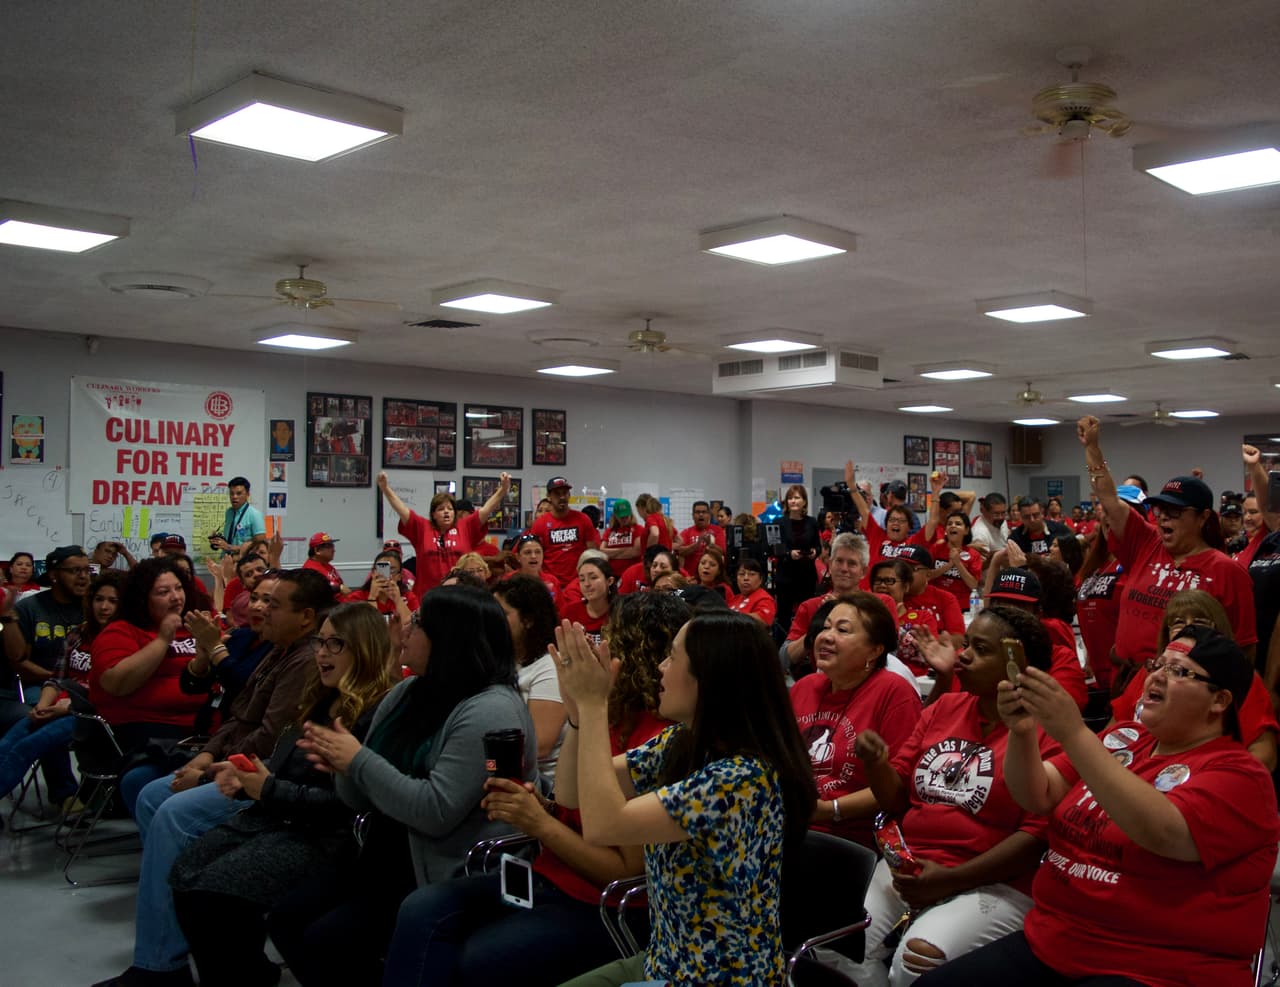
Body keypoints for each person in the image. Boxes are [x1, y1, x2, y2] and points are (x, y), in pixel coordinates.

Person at [920, 626, 1280, 987]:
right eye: (1157, 664)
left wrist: (1074, 733)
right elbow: (1035, 794)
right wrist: (1022, 731)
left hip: (1157, 968)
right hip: (1054, 942)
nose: (1156, 676)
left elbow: (1165, 833)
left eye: (1179, 670)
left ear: (1220, 701)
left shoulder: (1241, 775)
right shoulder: (1124, 738)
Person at [380, 592, 688, 987]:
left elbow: (622, 869)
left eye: (608, 640)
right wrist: (540, 799)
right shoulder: (607, 717)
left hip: (601, 901)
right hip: (548, 878)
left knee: (475, 960)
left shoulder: (657, 737)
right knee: (423, 909)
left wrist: (539, 823)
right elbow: (568, 802)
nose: (597, 652)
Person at [268, 585, 538, 986]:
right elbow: (356, 796)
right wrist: (345, 767)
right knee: (287, 918)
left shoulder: (491, 709)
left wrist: (357, 760)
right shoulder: (409, 692)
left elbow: (434, 812)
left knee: (328, 939)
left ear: (449, 638)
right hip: (385, 853)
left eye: (418, 622)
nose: (404, 628)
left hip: (448, 866)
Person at [553, 610, 817, 986]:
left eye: (673, 657)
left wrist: (596, 706)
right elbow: (570, 793)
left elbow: (602, 825)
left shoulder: (743, 779)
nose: (661, 667)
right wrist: (579, 716)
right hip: (665, 964)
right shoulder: (683, 741)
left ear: (710, 679)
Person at [95, 570, 333, 987]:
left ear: (306, 617)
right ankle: (174, 937)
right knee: (152, 794)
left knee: (171, 814)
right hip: (224, 753)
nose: (261, 609)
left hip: (261, 774)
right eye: (259, 599)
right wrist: (204, 756)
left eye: (273, 604)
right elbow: (236, 713)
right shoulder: (272, 648)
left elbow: (270, 737)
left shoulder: (305, 658)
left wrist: (205, 767)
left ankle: (160, 967)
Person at [168, 604, 395, 987]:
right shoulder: (322, 699)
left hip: (324, 837)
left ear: (364, 649)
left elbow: (346, 806)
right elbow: (283, 763)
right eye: (320, 642)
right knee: (185, 874)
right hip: (280, 816)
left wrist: (267, 787)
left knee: (213, 894)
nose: (321, 652)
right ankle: (248, 973)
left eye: (335, 644)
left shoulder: (374, 715)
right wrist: (244, 774)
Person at [846, 605, 1056, 987]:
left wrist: (951, 879)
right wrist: (877, 763)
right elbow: (897, 800)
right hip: (909, 867)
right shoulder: (944, 707)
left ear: (1018, 664)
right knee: (846, 945)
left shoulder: (1050, 730)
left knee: (918, 958)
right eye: (967, 644)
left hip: (994, 882)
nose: (964, 656)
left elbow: (1035, 839)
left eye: (981, 649)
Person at [1078, 415, 1257, 677]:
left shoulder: (1227, 571)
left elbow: (1244, 649)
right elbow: (1109, 498)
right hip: (1126, 684)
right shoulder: (1146, 542)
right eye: (1160, 509)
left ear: (1203, 517)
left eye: (1174, 511)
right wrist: (1092, 449)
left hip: (1180, 691)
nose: (1163, 517)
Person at [791, 592, 922, 847]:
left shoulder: (895, 693)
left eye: (843, 630)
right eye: (826, 627)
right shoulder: (805, 687)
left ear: (874, 651)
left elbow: (898, 789)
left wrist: (830, 809)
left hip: (850, 839)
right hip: (790, 824)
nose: (826, 636)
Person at [1109, 590, 1278, 770]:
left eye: (1199, 622)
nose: (1186, 628)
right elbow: (1114, 728)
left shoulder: (1240, 678)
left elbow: (1265, 754)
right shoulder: (1149, 671)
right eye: (1178, 622)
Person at [0, 569, 125, 803]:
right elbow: (57, 678)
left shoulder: (127, 639)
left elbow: (116, 695)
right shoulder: (79, 633)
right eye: (99, 599)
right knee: (9, 741)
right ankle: (64, 795)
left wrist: (67, 708)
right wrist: (44, 705)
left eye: (113, 601)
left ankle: (64, 795)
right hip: (63, 707)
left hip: (96, 718)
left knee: (27, 746)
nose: (104, 607)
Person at [1, 545, 93, 801]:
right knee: (44, 716)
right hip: (39, 683)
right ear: (53, 574)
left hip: (84, 688)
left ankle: (92, 790)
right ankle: (63, 793)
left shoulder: (93, 607)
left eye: (87, 570)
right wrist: (57, 685)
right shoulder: (30, 608)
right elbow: (20, 663)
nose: (83, 576)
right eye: (75, 570)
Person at [378, 470, 512, 591]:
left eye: (450, 509)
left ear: (455, 512)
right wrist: (385, 488)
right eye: (441, 509)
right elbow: (402, 510)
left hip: (460, 594)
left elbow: (486, 509)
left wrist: (502, 490)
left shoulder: (465, 526)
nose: (446, 512)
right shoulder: (422, 527)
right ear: (433, 514)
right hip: (427, 595)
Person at [492, 575, 567, 784]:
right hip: (507, 772)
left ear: (528, 620)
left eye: (502, 614)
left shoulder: (550, 667)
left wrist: (479, 758)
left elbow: (540, 745)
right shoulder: (502, 661)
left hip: (544, 784)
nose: (492, 621)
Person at [783, 532, 872, 676]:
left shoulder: (880, 604)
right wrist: (818, 626)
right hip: (822, 685)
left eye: (852, 563)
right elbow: (785, 659)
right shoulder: (810, 606)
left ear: (864, 571)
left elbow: (888, 655)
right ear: (830, 565)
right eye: (839, 561)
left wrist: (843, 610)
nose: (844, 568)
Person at [528, 476, 600, 588]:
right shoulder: (539, 524)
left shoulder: (583, 519)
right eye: (557, 493)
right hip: (550, 584)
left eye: (565, 493)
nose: (562, 497)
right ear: (549, 497)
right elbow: (535, 557)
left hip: (578, 582)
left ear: (569, 495)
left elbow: (592, 554)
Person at [773, 485, 821, 631]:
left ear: (804, 501)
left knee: (806, 612)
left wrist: (814, 552)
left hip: (806, 575)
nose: (793, 501)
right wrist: (789, 554)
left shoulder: (812, 522)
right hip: (786, 574)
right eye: (790, 498)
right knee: (784, 615)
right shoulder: (780, 522)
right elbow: (775, 548)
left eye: (797, 497)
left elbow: (818, 546)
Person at [344, 550, 419, 623]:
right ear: (373, 573)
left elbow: (412, 627)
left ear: (399, 576)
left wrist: (398, 601)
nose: (387, 575)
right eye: (382, 569)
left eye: (392, 570)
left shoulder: (409, 597)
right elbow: (360, 629)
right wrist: (372, 598)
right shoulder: (355, 598)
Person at [559, 557, 615, 644]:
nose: (587, 584)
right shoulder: (569, 611)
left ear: (610, 581)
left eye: (593, 577)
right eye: (582, 579)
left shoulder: (621, 612)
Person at [209, 476, 267, 556]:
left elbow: (260, 545)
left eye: (239, 493)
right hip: (226, 561)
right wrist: (219, 541)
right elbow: (232, 537)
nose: (234, 497)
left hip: (244, 562)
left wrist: (230, 547)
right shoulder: (229, 512)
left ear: (247, 494)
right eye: (231, 493)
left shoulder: (255, 514)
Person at [675, 499, 727, 577]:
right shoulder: (686, 532)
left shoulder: (717, 530)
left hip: (711, 576)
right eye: (697, 512)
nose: (701, 514)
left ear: (709, 515)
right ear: (693, 516)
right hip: (690, 577)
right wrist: (697, 544)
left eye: (704, 512)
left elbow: (722, 552)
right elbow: (680, 552)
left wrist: (710, 544)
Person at [599, 498, 646, 580]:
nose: (624, 519)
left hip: (632, 575)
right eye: (621, 517)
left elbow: (636, 552)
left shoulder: (638, 529)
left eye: (626, 516)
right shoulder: (609, 531)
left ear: (630, 514)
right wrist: (625, 550)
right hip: (613, 575)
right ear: (615, 516)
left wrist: (612, 554)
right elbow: (602, 551)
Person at [1007, 498, 1072, 557]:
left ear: (1042, 514)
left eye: (1035, 515)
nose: (1032, 520)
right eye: (1027, 517)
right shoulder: (1015, 537)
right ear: (1021, 517)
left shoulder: (1060, 530)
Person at [511, 533, 561, 599]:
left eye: (538, 552)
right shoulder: (508, 580)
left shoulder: (552, 581)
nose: (533, 556)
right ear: (518, 557)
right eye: (528, 552)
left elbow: (561, 608)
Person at [728, 557, 776, 625]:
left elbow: (763, 620)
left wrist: (731, 618)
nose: (746, 578)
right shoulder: (734, 599)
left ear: (760, 580)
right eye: (741, 574)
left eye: (752, 574)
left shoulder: (765, 599)